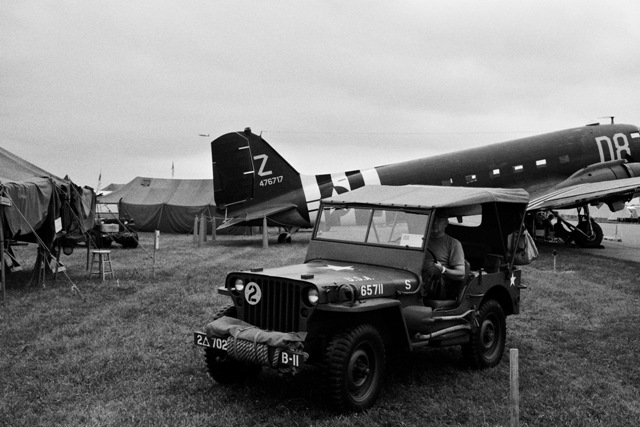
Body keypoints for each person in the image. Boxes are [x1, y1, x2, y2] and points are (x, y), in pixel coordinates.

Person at [424, 214, 466, 299]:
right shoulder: (421, 240)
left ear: (446, 223)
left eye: (439, 220)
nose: (435, 223)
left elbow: (461, 274)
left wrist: (443, 269)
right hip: (416, 278)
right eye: (433, 219)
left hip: (437, 286)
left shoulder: (453, 244)